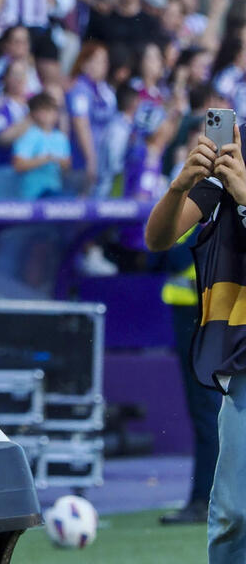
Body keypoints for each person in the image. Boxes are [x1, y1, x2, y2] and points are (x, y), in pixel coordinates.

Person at [145, 124, 246, 562]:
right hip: (244, 356)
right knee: (233, 512)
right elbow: (157, 238)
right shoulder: (238, 153)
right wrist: (178, 186)